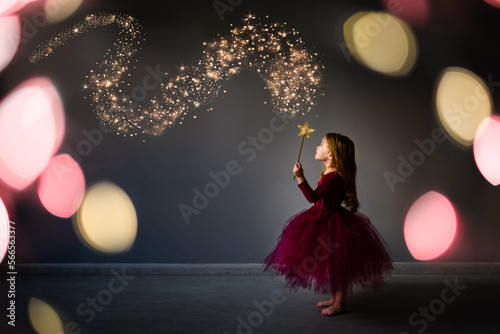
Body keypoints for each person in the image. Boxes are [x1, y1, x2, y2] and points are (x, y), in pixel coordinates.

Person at [264, 133, 394, 317]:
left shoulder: (334, 177)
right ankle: (335, 298)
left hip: (332, 225)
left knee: (338, 265)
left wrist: (300, 177)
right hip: (323, 219)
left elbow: (313, 197)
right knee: (333, 264)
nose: (317, 147)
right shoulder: (329, 173)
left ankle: (339, 303)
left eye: (321, 144)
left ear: (331, 154)